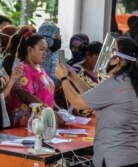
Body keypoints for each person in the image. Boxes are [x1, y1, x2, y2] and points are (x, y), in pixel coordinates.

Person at [55, 36, 138, 167]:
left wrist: (63, 78)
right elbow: (95, 96)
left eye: (110, 54)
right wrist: (74, 78)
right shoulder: (129, 81)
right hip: (131, 157)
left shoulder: (115, 84)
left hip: (112, 157)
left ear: (118, 60)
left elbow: (77, 103)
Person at [8, 32, 62, 128]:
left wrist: (59, 111)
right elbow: (26, 96)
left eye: (46, 50)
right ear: (30, 49)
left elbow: (47, 94)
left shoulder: (40, 69)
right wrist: (49, 113)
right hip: (28, 124)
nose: (45, 53)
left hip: (43, 122)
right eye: (41, 49)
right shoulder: (22, 68)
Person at [38, 22, 61, 86]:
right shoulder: (36, 58)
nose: (59, 39)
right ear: (47, 38)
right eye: (57, 36)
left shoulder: (55, 54)